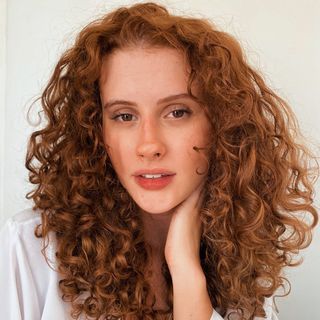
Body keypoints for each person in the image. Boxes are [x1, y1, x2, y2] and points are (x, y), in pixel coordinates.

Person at [0, 2, 318, 320]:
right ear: (97, 131)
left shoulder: (244, 261)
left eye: (177, 112)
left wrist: (186, 272)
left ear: (221, 123)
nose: (149, 145)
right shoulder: (31, 249)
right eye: (124, 116)